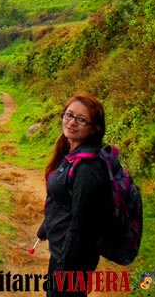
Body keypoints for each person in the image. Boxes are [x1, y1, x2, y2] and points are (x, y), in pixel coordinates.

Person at [37, 93, 112, 297]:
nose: (71, 122)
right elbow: (63, 199)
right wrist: (47, 226)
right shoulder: (72, 154)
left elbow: (82, 224)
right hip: (62, 253)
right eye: (69, 115)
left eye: (81, 119)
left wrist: (64, 272)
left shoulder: (87, 168)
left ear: (94, 128)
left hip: (71, 263)